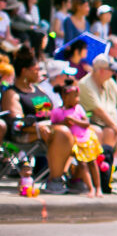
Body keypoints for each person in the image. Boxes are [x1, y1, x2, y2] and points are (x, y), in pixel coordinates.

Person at [1, 47, 75, 194]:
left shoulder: (39, 91)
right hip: (26, 136)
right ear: (24, 71)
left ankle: (72, 179)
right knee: (62, 133)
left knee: (78, 133)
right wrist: (37, 126)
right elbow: (17, 124)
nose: (38, 73)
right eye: (35, 70)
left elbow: (49, 113)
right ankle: (55, 181)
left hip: (48, 130)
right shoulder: (12, 93)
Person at [50, 83, 103, 198]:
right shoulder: (57, 112)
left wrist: (75, 120)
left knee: (93, 163)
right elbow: (53, 126)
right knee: (83, 165)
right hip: (74, 142)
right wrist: (64, 122)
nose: (78, 100)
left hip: (86, 139)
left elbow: (86, 123)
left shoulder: (78, 109)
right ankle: (91, 188)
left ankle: (98, 188)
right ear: (65, 97)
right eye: (75, 96)